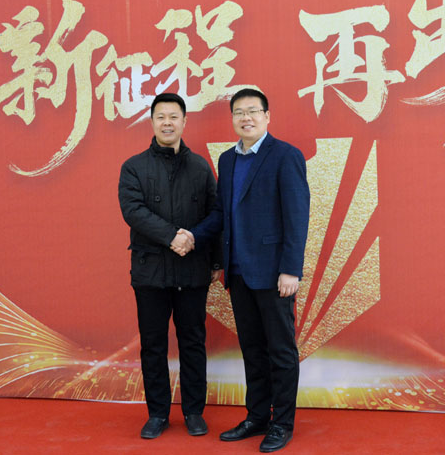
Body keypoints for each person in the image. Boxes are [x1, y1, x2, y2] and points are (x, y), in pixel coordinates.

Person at [183, 88, 310, 453]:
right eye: (239, 112)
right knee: (252, 349)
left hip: (274, 274)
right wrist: (194, 236)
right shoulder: (227, 160)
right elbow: (221, 214)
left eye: (253, 111)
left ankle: (282, 423)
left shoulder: (285, 155)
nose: (246, 118)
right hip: (238, 273)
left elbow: (297, 216)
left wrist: (291, 270)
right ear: (233, 119)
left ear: (267, 116)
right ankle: (257, 416)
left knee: (280, 351)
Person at [118, 92, 221, 439]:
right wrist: (172, 236)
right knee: (153, 344)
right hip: (150, 270)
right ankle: (158, 413)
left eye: (173, 117)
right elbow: (133, 211)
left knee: (193, 341)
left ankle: (194, 411)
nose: (167, 123)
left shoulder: (200, 166)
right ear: (151, 122)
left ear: (184, 122)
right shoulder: (133, 166)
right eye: (160, 117)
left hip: (192, 269)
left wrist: (215, 259)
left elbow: (214, 213)